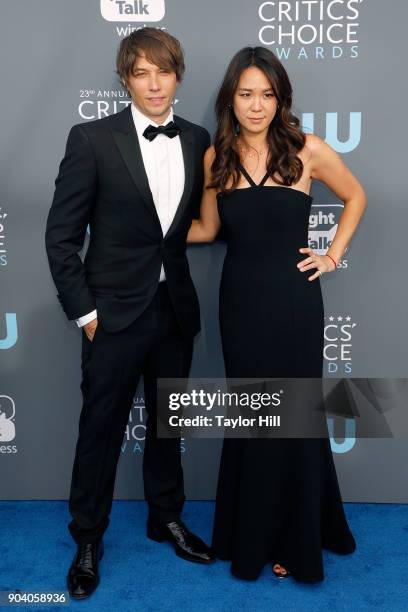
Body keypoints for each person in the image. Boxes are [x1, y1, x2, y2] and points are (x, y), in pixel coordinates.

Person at [45, 28, 214, 600]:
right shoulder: (91, 139)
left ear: (177, 76)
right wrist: (85, 314)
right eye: (141, 72)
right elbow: (61, 237)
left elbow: (189, 227)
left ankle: (165, 517)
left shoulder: (197, 139)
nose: (154, 83)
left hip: (173, 311)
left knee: (169, 428)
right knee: (100, 431)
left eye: (162, 71)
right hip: (111, 314)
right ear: (125, 79)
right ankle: (88, 538)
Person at [187, 46, 366, 582]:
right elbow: (208, 230)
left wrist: (332, 256)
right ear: (231, 100)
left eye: (266, 94)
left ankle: (296, 536)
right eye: (246, 94)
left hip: (295, 304)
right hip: (240, 303)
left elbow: (355, 196)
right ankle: (251, 531)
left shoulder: (307, 150)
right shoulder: (216, 157)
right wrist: (139, 234)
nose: (256, 105)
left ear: (280, 98)